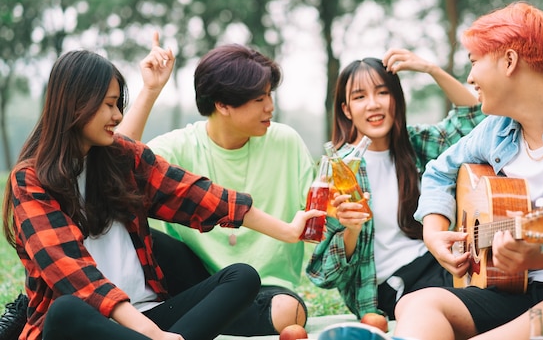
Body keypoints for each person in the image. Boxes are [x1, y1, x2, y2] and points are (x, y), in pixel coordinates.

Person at [1, 42, 323, 340]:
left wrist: (289, 230)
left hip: (150, 317)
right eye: (110, 105)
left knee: (242, 277)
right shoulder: (31, 181)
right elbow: (75, 275)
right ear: (76, 106)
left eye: (119, 105)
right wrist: (154, 336)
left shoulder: (123, 158)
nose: (117, 116)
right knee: (66, 309)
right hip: (93, 326)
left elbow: (199, 197)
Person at [393, 2, 543, 340]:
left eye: (473, 62)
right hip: (513, 291)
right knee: (416, 304)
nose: (470, 77)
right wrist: (433, 234)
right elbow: (439, 172)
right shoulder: (497, 130)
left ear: (509, 61)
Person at [116, 43, 317, 335]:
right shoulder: (179, 146)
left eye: (270, 95)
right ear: (223, 104)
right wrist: (150, 90)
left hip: (265, 287)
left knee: (290, 312)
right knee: (134, 233)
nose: (270, 106)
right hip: (196, 282)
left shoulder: (285, 141)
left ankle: (166, 324)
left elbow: (319, 217)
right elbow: (116, 163)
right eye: (260, 98)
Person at [305, 52, 486, 320]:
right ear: (346, 109)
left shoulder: (415, 144)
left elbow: (475, 118)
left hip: (439, 262)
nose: (373, 105)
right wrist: (351, 230)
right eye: (359, 97)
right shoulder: (338, 172)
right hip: (390, 288)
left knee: (499, 287)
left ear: (396, 99)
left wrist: (430, 69)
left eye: (382, 93)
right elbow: (324, 273)